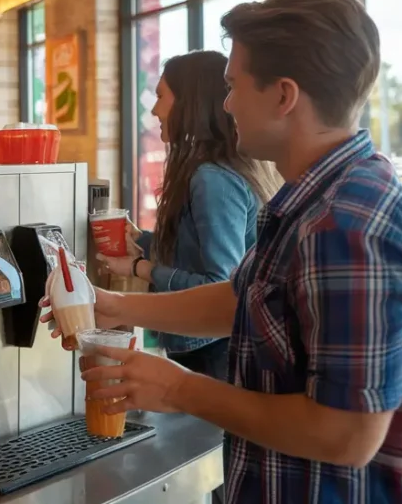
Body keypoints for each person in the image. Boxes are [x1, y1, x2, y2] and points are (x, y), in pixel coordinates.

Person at [45, 0, 402, 503]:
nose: (227, 102)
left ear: (283, 96)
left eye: (233, 85)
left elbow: (347, 435)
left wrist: (178, 388)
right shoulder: (312, 197)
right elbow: (243, 299)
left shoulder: (346, 223)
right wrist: (112, 304)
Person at [95, 51, 278, 381]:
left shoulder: (212, 178)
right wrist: (144, 242)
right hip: (212, 344)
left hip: (214, 349)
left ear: (190, 104)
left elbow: (219, 286)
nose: (154, 110)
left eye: (161, 96)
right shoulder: (224, 169)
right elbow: (198, 252)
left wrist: (142, 268)